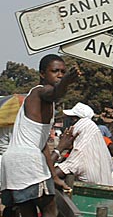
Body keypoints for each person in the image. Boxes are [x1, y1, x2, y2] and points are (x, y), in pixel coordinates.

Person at [1, 54, 81, 217]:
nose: (59, 74)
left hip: (12, 163)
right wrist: (66, 81)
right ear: (42, 74)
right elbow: (55, 93)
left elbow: (42, 145)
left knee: (28, 212)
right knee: (50, 210)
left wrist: (54, 177)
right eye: (55, 71)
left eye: (63, 72)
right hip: (28, 161)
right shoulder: (39, 92)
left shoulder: (41, 103)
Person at [55, 102, 113, 186]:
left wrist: (60, 148)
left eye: (71, 120)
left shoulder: (81, 152)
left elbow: (50, 176)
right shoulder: (99, 144)